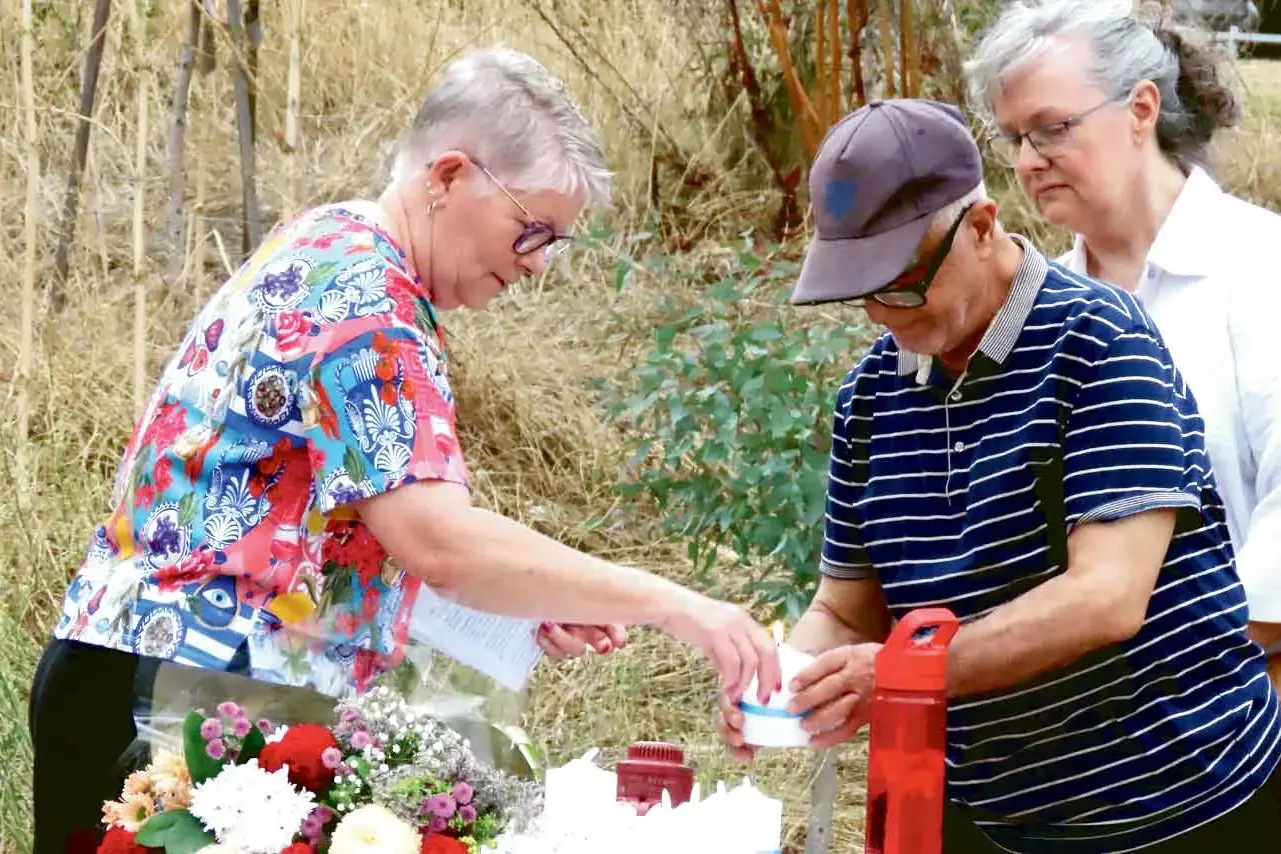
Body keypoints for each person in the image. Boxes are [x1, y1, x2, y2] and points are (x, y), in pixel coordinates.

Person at [32, 46, 781, 854]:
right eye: (530, 230)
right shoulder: (369, 306)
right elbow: (438, 540)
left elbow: (329, 538)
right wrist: (679, 606)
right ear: (450, 174)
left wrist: (536, 594)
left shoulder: (329, 242)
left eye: (554, 244)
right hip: (182, 697)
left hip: (128, 668)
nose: (535, 264)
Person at [716, 98, 1281, 852]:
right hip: (988, 809)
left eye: (904, 282)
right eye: (862, 291)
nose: (885, 314)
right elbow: (848, 612)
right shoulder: (870, 394)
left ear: (980, 227)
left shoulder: (1099, 341)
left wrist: (897, 675)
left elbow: (1104, 599)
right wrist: (787, 680)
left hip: (1172, 800)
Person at [965, 0, 1281, 688]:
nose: (1027, 160)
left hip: (1246, 705)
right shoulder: (1034, 308)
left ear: (1140, 110)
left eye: (1051, 129)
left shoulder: (1259, 268)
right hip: (1081, 732)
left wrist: (1207, 665)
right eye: (1011, 137)